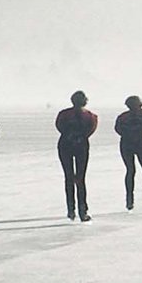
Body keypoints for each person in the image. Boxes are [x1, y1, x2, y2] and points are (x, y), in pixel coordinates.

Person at [55, 91, 98, 222]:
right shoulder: (91, 116)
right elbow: (90, 130)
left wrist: (70, 136)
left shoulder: (64, 114)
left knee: (69, 178)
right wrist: (79, 137)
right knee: (80, 178)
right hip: (80, 146)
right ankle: (82, 211)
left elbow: (60, 126)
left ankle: (71, 210)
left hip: (65, 144)